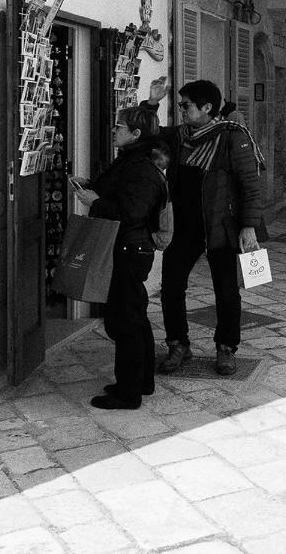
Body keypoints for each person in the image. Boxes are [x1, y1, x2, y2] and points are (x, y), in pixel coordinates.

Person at [142, 79, 264, 376]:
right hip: (183, 226)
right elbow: (146, 135)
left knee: (226, 291)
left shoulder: (233, 137)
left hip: (220, 226)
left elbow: (250, 184)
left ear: (207, 107)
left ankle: (226, 348)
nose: (181, 110)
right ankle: (178, 345)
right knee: (171, 287)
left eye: (186, 105)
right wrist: (152, 103)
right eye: (180, 105)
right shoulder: (179, 136)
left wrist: (248, 226)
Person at [72, 107, 168, 410]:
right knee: (134, 317)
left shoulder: (139, 167)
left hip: (129, 249)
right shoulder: (131, 161)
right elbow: (121, 195)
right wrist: (90, 187)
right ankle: (141, 381)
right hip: (127, 249)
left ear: (136, 134)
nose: (113, 130)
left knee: (125, 321)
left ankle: (128, 393)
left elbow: (131, 212)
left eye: (119, 126)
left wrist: (96, 202)